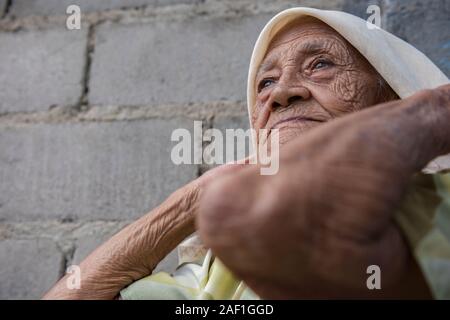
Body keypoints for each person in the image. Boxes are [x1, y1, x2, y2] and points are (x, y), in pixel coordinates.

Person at [43, 7, 450, 300]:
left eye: (321, 64)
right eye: (265, 82)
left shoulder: (437, 203)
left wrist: (425, 115)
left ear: (392, 95)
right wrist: (192, 200)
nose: (280, 92)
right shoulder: (219, 271)